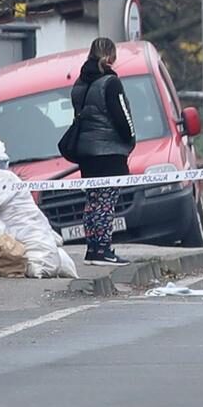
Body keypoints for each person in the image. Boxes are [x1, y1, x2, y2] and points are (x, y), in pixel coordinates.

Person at [70, 37, 135, 265]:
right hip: (109, 151)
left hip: (86, 153)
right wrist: (130, 140)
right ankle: (103, 249)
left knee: (93, 201)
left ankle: (92, 248)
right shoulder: (111, 83)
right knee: (106, 201)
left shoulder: (80, 83)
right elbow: (122, 117)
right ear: (110, 56)